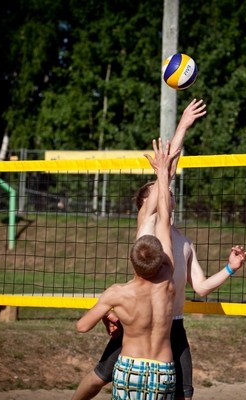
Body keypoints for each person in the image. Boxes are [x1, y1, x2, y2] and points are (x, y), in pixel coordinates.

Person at [72, 99, 246, 400]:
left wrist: (230, 268)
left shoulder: (184, 242)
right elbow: (168, 170)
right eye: (157, 190)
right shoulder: (148, 223)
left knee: (185, 393)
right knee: (101, 376)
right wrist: (182, 126)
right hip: (141, 318)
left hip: (171, 322)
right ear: (146, 203)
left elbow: (201, 287)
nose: (165, 190)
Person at [76, 137, 179, 399]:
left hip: (129, 368)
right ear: (162, 259)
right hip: (163, 370)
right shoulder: (168, 282)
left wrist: (107, 313)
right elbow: (165, 219)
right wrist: (163, 171)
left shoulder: (117, 294)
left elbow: (82, 327)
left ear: (132, 260)